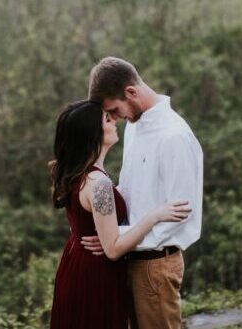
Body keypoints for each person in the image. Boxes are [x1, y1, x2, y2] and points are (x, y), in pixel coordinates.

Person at [48, 99, 193, 329]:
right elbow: (113, 249)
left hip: (77, 265)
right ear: (93, 134)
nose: (114, 120)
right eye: (107, 119)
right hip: (94, 274)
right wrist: (155, 215)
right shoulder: (98, 183)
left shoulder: (81, 175)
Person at [82, 57, 204, 329]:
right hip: (129, 260)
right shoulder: (135, 128)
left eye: (113, 110)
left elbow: (181, 215)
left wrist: (115, 238)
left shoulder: (174, 135)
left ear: (131, 93)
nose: (113, 119)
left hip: (155, 266)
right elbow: (131, 196)